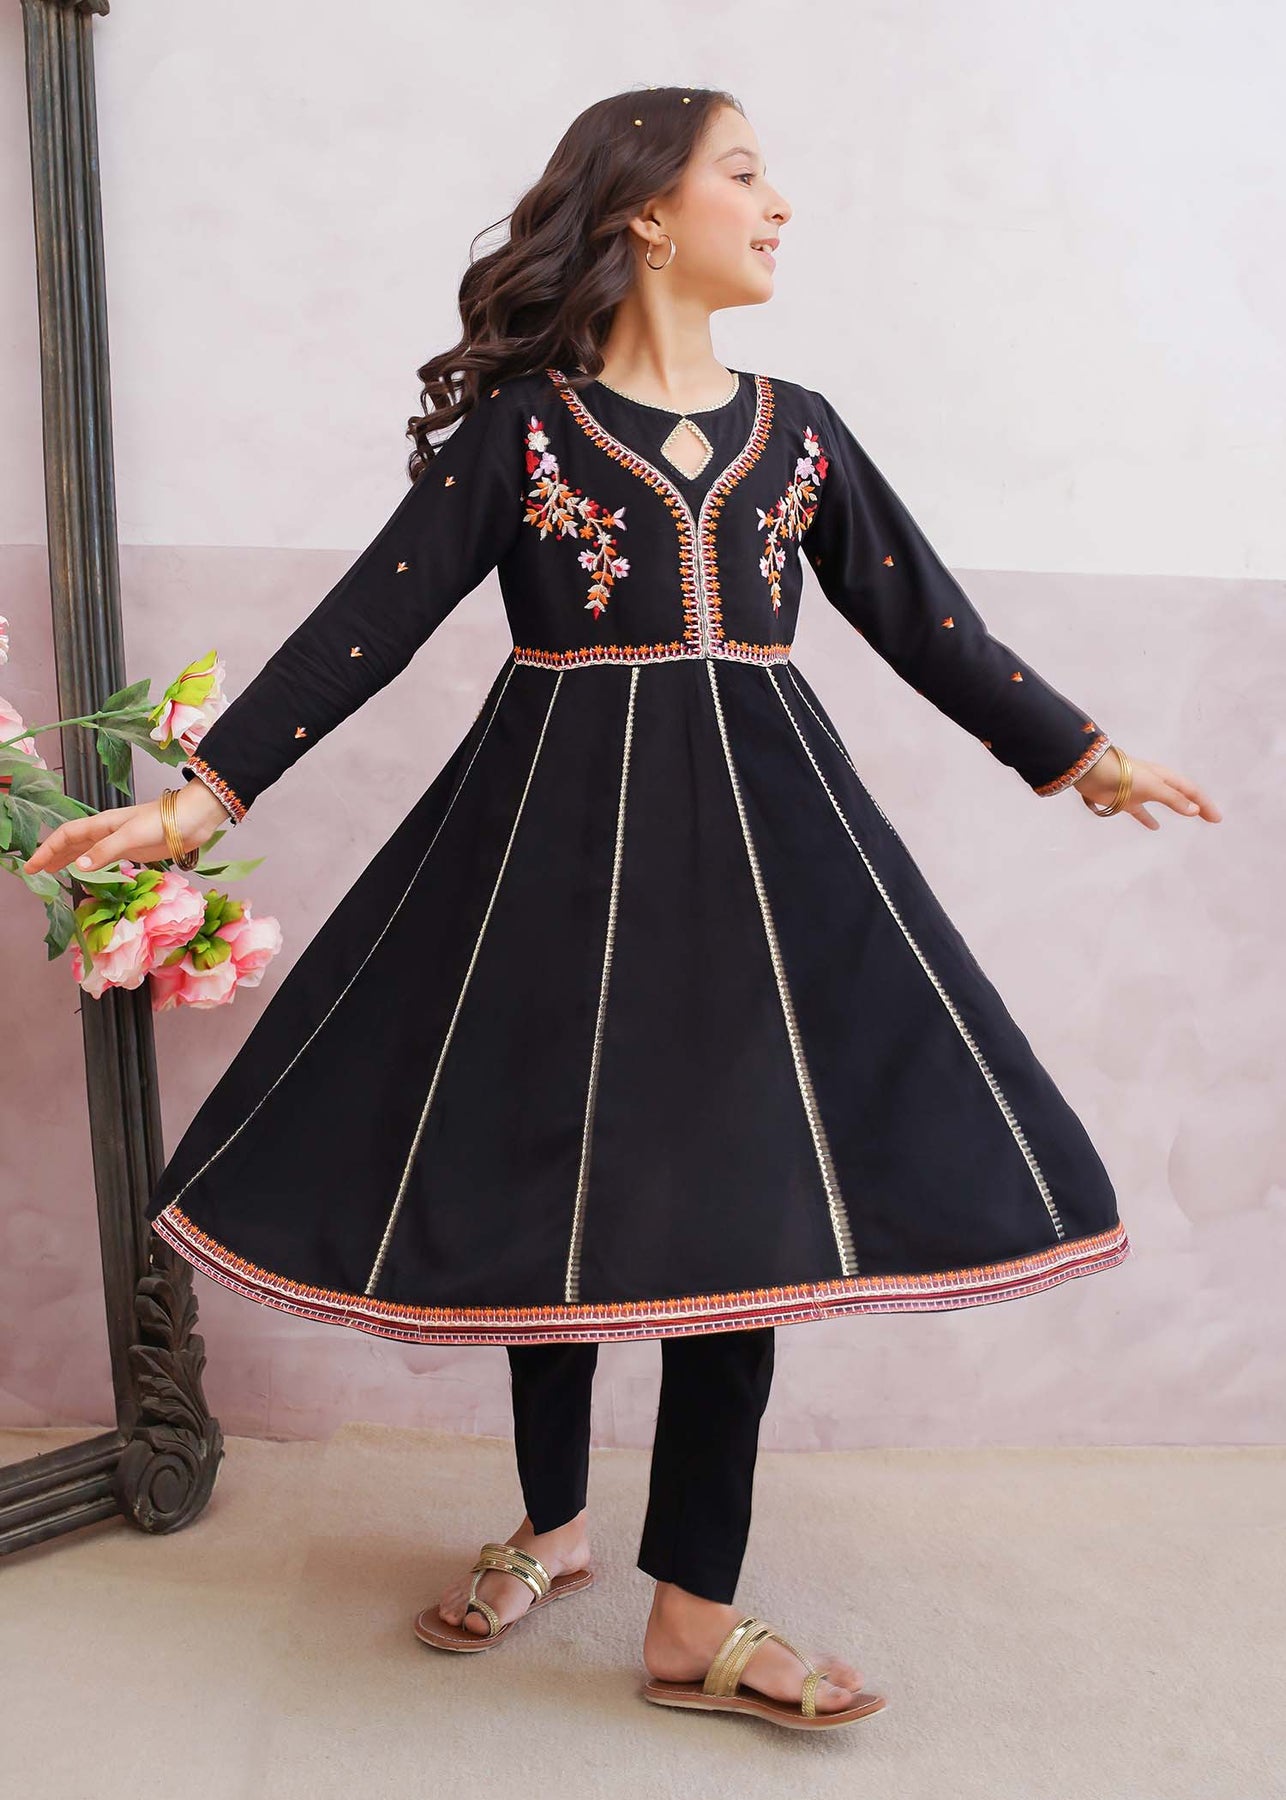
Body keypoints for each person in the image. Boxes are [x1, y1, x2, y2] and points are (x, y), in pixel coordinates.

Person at [23, 86, 1220, 1731]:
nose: (779, 204)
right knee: (550, 1174)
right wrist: (194, 801)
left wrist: (1083, 757)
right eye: (746, 173)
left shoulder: (800, 431)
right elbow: (364, 625)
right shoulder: (525, 431)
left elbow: (925, 622)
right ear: (648, 211)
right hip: (547, 854)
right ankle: (550, 1525)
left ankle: (693, 1614)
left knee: (742, 1216)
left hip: (770, 870)